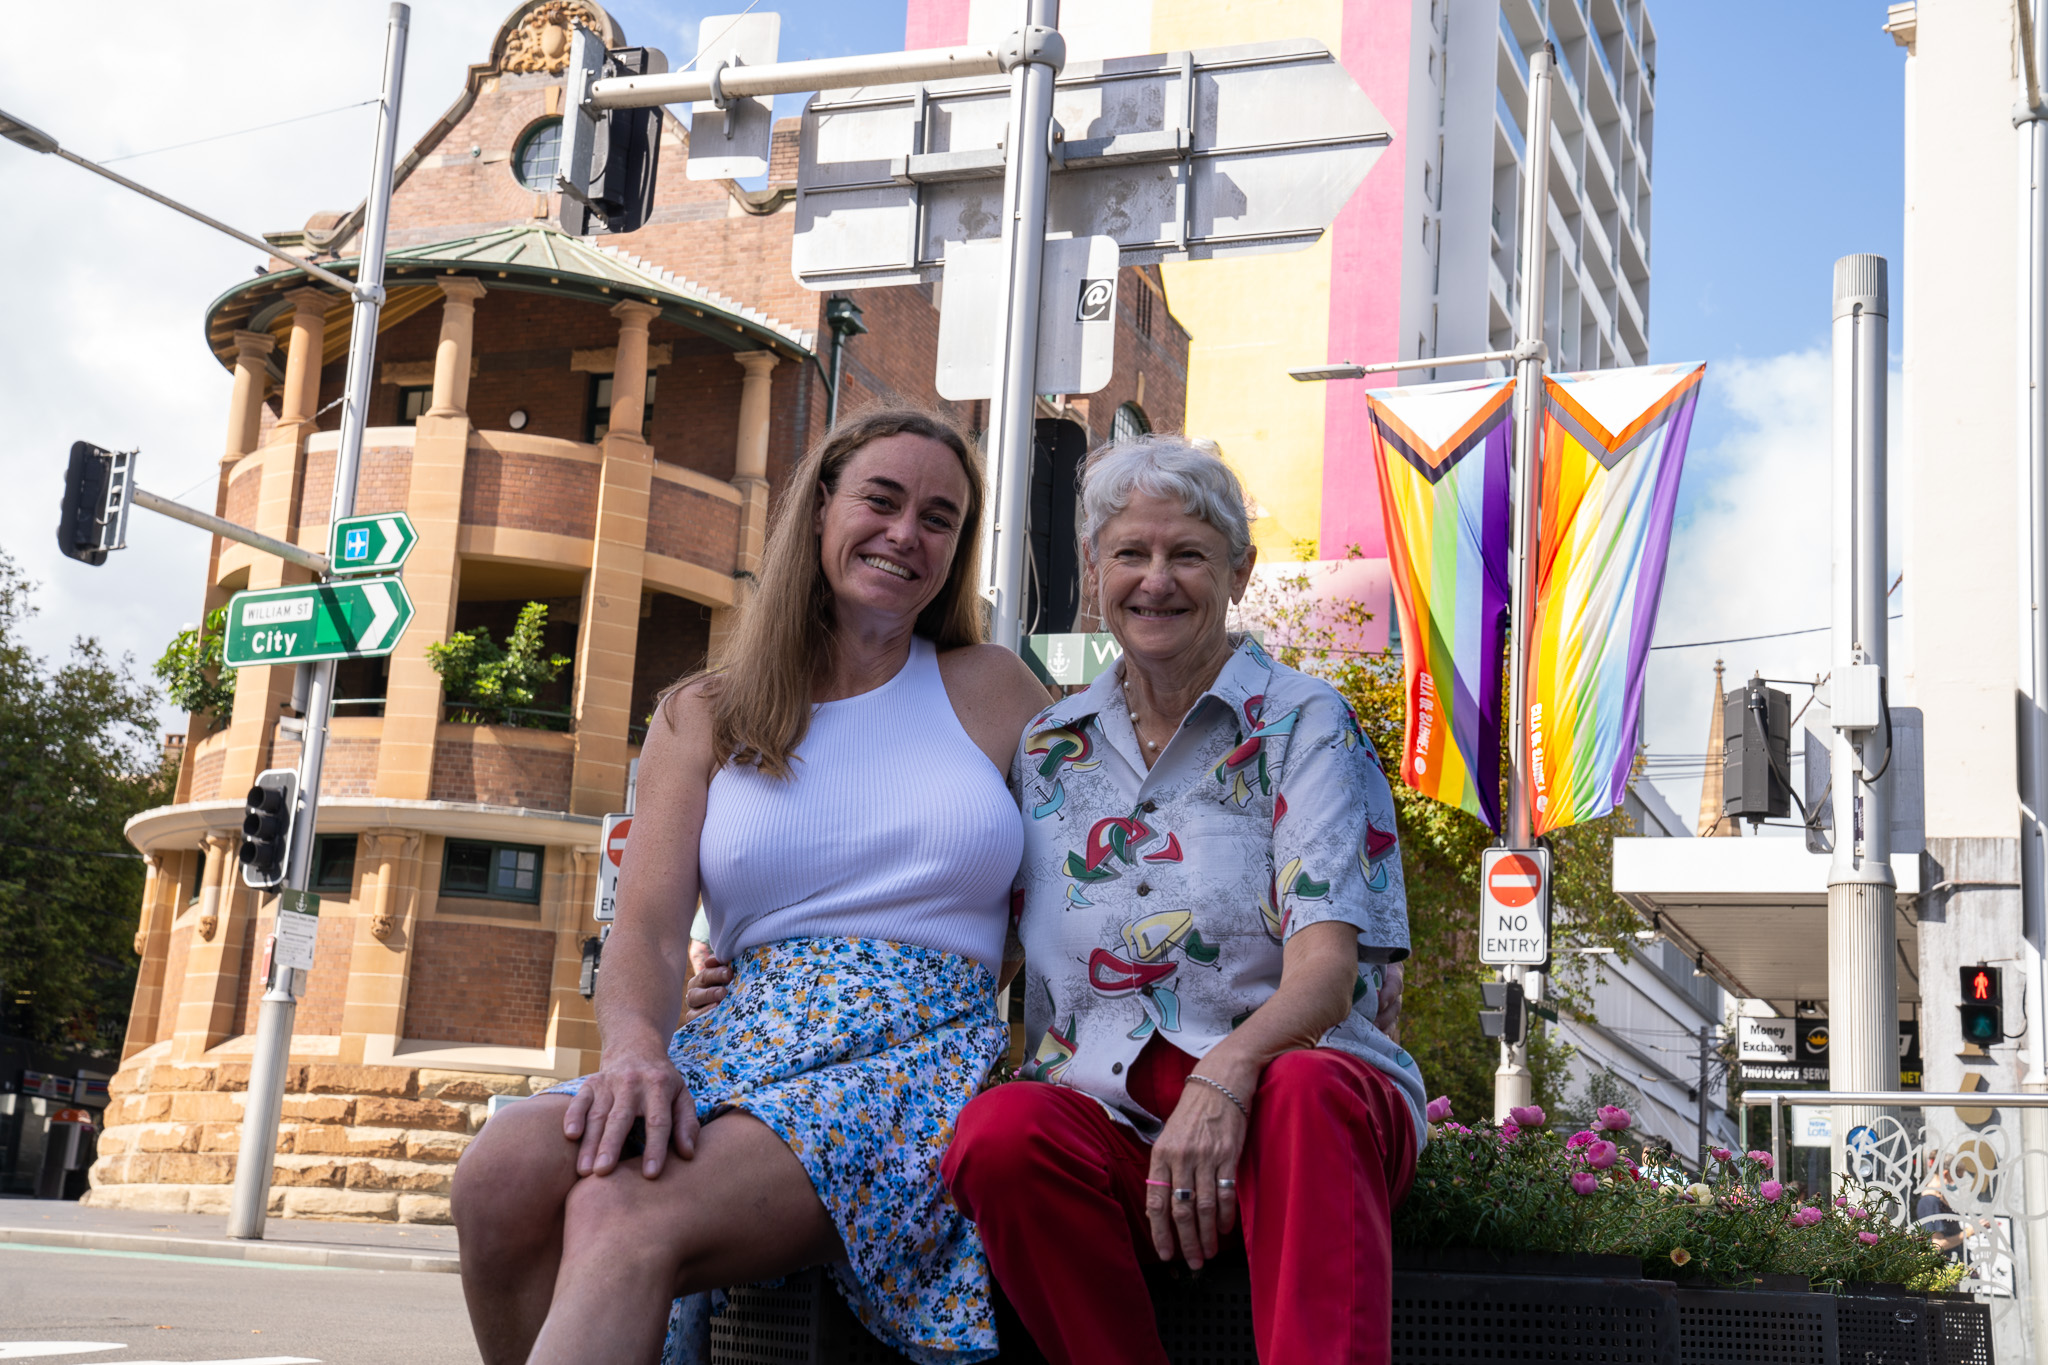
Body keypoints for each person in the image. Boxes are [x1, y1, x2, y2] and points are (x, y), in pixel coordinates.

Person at [450, 408, 1051, 1365]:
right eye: (882, 500)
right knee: (499, 1171)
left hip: (918, 1057)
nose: (907, 533)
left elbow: (1089, 883)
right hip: (744, 1030)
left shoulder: (996, 689)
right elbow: (645, 926)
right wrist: (638, 1049)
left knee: (622, 1209)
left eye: (940, 519)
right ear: (819, 512)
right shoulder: (704, 713)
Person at [939, 434, 1426, 1364]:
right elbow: (974, 934)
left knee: (1305, 1086)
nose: (1155, 580)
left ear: (1238, 573)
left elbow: (1322, 978)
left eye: (1188, 555)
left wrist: (1223, 1076)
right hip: (1115, 1118)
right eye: (1130, 553)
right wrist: (746, 971)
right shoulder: (1046, 747)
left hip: (1304, 1113)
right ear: (1093, 571)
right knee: (1002, 1134)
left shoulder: (1303, 721)